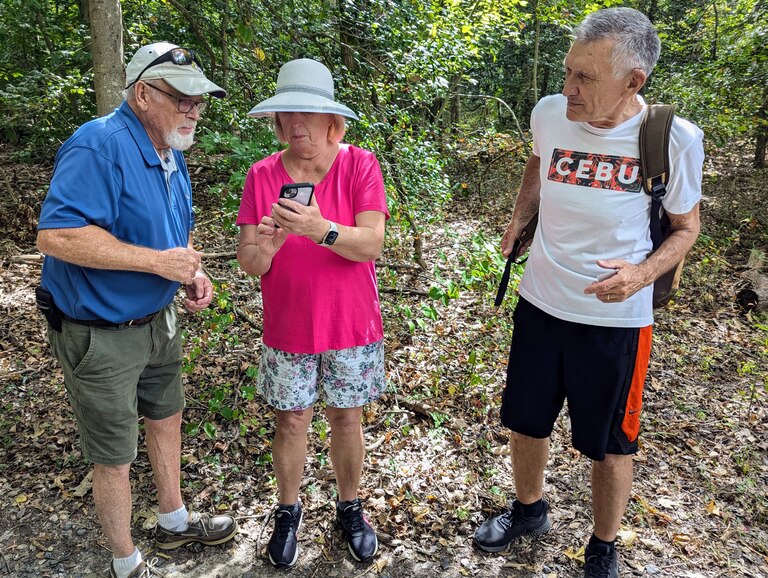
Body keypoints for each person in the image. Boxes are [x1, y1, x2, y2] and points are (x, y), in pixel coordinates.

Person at [473, 8, 703, 578]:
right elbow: (537, 163)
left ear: (633, 81)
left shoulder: (671, 139)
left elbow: (686, 228)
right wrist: (519, 219)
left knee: (611, 442)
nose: (568, 89)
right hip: (541, 300)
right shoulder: (551, 115)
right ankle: (529, 510)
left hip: (618, 320)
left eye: (585, 78)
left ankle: (603, 545)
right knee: (525, 420)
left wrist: (639, 276)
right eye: (568, 72)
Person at [36, 42, 237, 578]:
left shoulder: (171, 151)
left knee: (166, 417)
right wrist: (156, 262)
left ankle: (174, 520)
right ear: (144, 93)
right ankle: (127, 563)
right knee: (114, 452)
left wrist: (190, 272)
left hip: (158, 322)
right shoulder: (99, 145)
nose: (195, 109)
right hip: (100, 331)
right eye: (183, 98)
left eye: (201, 101)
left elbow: (171, 236)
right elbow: (56, 236)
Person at [236, 58, 388, 568]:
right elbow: (250, 263)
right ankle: (287, 510)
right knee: (291, 422)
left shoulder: (360, 165)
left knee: (347, 418)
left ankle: (351, 507)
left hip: (350, 324)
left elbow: (371, 244)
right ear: (276, 122)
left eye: (308, 111)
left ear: (333, 121)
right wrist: (271, 245)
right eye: (286, 114)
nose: (296, 123)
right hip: (290, 325)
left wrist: (320, 228)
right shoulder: (261, 175)